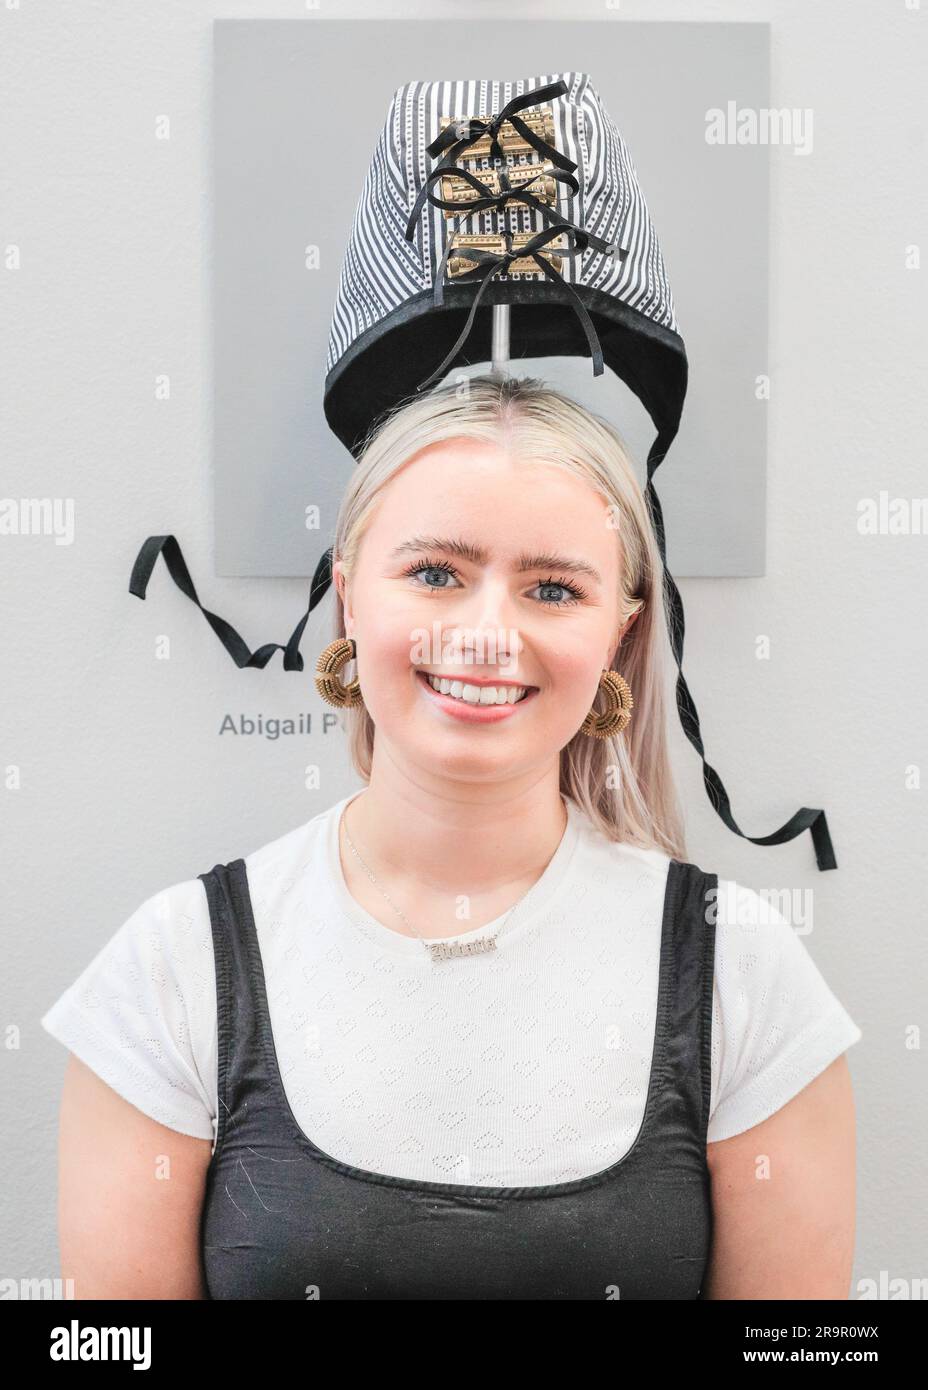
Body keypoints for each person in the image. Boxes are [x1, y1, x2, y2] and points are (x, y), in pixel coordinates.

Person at [42, 375, 862, 1300]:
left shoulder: (743, 968)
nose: (484, 635)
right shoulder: (171, 967)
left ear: (618, 635)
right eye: (435, 574)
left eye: (553, 588)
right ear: (351, 600)